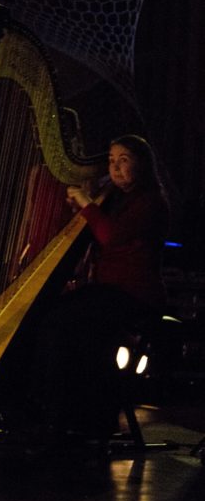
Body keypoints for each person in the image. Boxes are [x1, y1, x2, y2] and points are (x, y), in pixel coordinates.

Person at [23, 134, 170, 443]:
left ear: (142, 165)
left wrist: (87, 205)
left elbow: (110, 237)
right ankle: (63, 413)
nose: (115, 168)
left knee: (59, 323)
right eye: (111, 161)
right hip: (110, 292)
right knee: (49, 314)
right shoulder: (115, 198)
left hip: (135, 296)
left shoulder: (151, 202)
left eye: (124, 161)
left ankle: (60, 416)